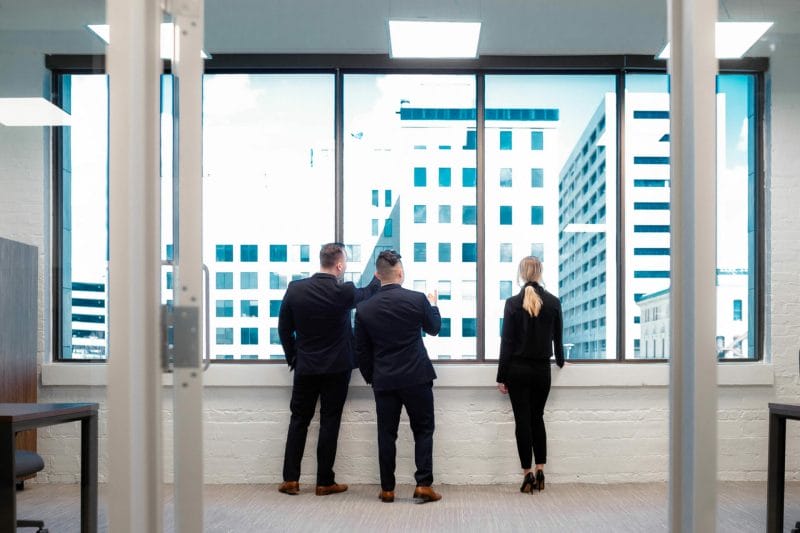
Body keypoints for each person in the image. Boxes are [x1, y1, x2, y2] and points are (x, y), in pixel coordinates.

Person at [277, 242, 380, 496]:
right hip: (337, 368)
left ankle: (291, 480)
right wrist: (378, 278)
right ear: (340, 265)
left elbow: (283, 328)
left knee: (299, 420)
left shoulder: (296, 289)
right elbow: (367, 294)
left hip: (306, 366)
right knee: (329, 421)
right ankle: (324, 482)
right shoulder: (343, 292)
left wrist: (294, 357)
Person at [354, 250, 442, 504]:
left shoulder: (364, 308)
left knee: (386, 434)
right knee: (423, 430)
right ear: (400, 274)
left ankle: (388, 489)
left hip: (384, 379)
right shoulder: (416, 300)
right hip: (416, 376)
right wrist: (433, 304)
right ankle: (424, 485)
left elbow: (361, 350)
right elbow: (434, 329)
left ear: (377, 275)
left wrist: (373, 377)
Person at [496, 255, 564, 493]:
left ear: (522, 274)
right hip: (541, 370)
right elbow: (558, 338)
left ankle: (527, 475)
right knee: (538, 418)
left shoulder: (512, 303)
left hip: (517, 370)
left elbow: (507, 342)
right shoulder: (554, 302)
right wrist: (562, 362)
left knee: (522, 421)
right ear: (540, 273)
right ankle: (541, 469)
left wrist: (501, 376)